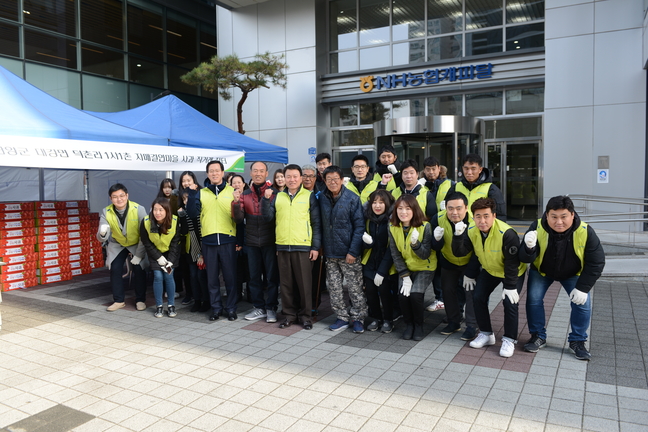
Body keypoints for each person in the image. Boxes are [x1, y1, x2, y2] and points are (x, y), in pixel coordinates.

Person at [519, 195, 605, 360]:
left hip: (573, 273)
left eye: (563, 216)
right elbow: (523, 258)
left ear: (572, 215)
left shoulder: (585, 231)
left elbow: (597, 262)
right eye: (554, 217)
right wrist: (529, 248)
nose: (559, 222)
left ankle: (577, 341)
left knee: (583, 303)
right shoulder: (537, 226)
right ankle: (538, 336)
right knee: (533, 299)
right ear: (547, 215)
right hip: (542, 271)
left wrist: (583, 288)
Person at [452, 197, 527, 358]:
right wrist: (458, 236)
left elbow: (512, 263)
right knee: (478, 297)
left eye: (486, 216)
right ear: (473, 217)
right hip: (490, 269)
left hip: (511, 271)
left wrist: (510, 286)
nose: (482, 221)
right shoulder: (471, 230)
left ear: (494, 215)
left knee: (510, 302)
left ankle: (509, 339)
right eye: (478, 216)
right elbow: (462, 253)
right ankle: (486, 334)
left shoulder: (507, 233)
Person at [262, 164, 321, 330]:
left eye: (295, 176)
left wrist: (315, 247)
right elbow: (268, 218)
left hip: (303, 246)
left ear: (301, 178)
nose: (292, 179)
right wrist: (265, 200)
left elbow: (316, 223)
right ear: (284, 178)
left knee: (304, 285)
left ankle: (306, 317)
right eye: (289, 176)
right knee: (286, 285)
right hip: (282, 246)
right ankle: (289, 315)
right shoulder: (278, 196)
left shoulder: (309, 196)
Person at [186, 160, 239, 321]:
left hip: (228, 239)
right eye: (211, 171)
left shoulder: (232, 191)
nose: (214, 173)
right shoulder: (201, 193)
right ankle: (216, 308)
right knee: (211, 278)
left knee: (230, 278)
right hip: (208, 241)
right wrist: (192, 194)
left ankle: (231, 308)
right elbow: (192, 213)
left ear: (222, 173)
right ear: (207, 174)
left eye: (217, 170)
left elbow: (239, 218)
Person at [319, 165, 368, 333]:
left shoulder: (352, 198)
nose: (332, 182)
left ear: (342, 180)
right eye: (329, 179)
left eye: (335, 179)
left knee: (355, 288)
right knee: (334, 288)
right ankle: (341, 317)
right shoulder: (321, 197)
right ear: (325, 181)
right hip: (330, 252)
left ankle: (358, 318)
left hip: (349, 253)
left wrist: (353, 251)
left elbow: (359, 227)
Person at [232, 161, 280, 324]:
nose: (258, 173)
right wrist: (236, 203)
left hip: (270, 241)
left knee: (272, 277)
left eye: (261, 171)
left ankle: (271, 307)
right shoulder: (244, 194)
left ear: (267, 173)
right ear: (250, 173)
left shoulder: (275, 193)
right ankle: (259, 307)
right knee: (254, 277)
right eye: (255, 171)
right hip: (251, 242)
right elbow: (238, 220)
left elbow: (273, 218)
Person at [429, 192, 479, 341]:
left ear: (466, 208)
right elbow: (434, 246)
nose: (454, 212)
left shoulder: (475, 221)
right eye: (450, 208)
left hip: (470, 262)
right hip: (448, 261)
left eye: (458, 208)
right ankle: (453, 322)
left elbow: (479, 249)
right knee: (448, 292)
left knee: (471, 293)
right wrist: (436, 239)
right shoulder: (438, 218)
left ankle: (471, 326)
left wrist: (471, 272)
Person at [389, 194, 439, 341]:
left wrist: (415, 244)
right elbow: (395, 253)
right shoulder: (392, 227)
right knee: (403, 296)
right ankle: (409, 325)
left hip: (425, 267)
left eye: (408, 208)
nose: (403, 212)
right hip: (406, 268)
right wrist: (404, 276)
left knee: (415, 295)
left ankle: (419, 325)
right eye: (400, 208)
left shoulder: (425, 226)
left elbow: (425, 254)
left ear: (414, 209)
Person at [97, 183, 148, 312]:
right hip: (117, 244)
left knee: (139, 268)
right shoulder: (106, 212)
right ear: (110, 198)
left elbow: (145, 234)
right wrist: (102, 233)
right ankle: (118, 301)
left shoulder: (138, 209)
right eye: (115, 197)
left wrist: (139, 254)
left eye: (121, 196)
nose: (119, 199)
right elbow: (101, 236)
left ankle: (140, 299)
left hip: (136, 243)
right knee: (115, 268)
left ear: (127, 195)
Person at [362, 189, 397, 333]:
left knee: (384, 290)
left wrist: (382, 271)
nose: (377, 205)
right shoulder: (367, 219)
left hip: (387, 262)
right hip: (370, 260)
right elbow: (363, 243)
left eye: (381, 202)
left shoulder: (393, 221)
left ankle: (388, 319)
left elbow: (392, 248)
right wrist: (367, 243)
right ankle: (375, 318)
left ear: (387, 204)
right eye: (374, 202)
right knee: (370, 290)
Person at [140, 197, 181, 318]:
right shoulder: (146, 221)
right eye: (155, 209)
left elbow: (176, 243)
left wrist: (170, 261)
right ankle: (159, 306)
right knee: (158, 276)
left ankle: (171, 305)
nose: (157, 213)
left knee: (169, 275)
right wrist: (158, 257)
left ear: (167, 210)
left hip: (170, 253)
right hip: (155, 253)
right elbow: (146, 242)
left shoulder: (175, 221)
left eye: (161, 210)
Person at [177, 172, 210, 313]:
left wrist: (202, 253)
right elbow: (184, 231)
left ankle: (206, 301)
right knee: (193, 276)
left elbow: (201, 229)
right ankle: (196, 301)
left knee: (202, 276)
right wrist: (182, 216)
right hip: (191, 248)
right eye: (184, 199)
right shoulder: (183, 211)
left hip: (203, 245)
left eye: (188, 180)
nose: (187, 201)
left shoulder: (200, 208)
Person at [447, 153, 506, 220]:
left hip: (481, 226)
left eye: (473, 169)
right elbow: (445, 210)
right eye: (466, 168)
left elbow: (500, 215)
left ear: (480, 169)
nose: (469, 172)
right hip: (459, 226)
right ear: (462, 168)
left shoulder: (491, 189)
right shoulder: (456, 187)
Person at [229, 174, 249, 303]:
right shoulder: (228, 199)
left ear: (243, 184)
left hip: (249, 239)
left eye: (239, 182)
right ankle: (237, 294)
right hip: (234, 239)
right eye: (234, 183)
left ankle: (251, 294)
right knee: (236, 270)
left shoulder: (248, 197)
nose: (236, 185)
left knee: (250, 269)